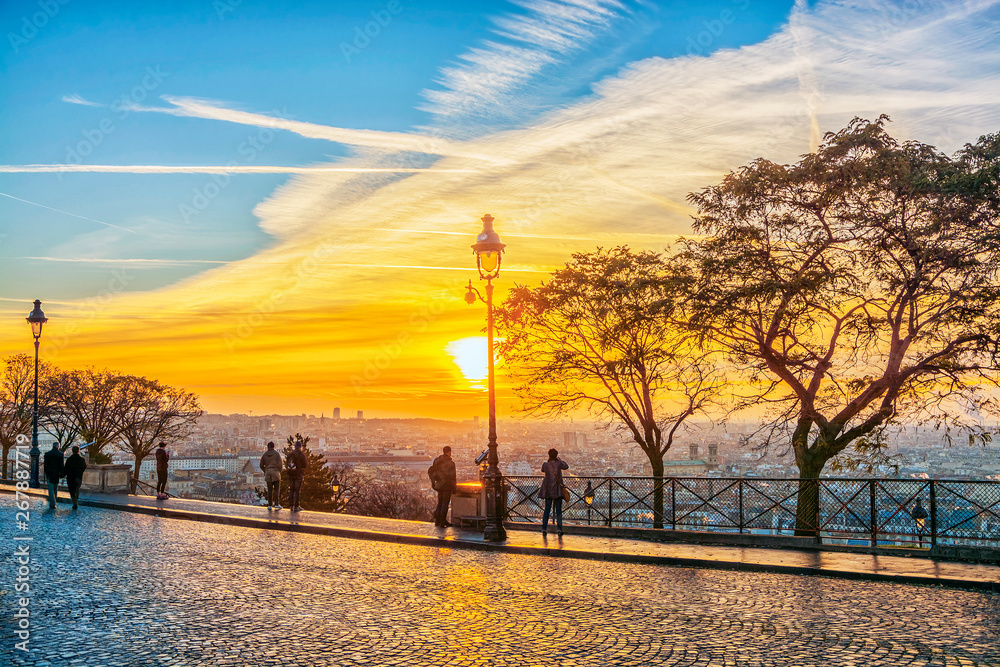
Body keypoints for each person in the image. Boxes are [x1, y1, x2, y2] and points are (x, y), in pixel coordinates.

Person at [539, 448, 569, 537]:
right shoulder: (559, 463)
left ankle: (544, 528)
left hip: (548, 491)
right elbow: (566, 466)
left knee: (547, 510)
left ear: (549, 455)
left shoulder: (545, 465)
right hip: (558, 490)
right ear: (556, 455)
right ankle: (559, 529)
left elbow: (542, 470)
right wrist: (560, 460)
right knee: (559, 511)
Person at [429, 446, 457, 527]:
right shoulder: (451, 463)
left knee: (440, 502)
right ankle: (442, 522)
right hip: (447, 485)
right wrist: (454, 488)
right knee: (445, 503)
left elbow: (433, 472)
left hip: (439, 485)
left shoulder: (436, 461)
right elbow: (453, 477)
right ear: (449, 452)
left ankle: (437, 521)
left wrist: (434, 483)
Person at [63, 445, 87, 510]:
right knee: (77, 489)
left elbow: (66, 469)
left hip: (70, 477)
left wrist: (63, 474)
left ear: (72, 451)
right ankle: (76, 501)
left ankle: (74, 503)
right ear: (78, 451)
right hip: (78, 476)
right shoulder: (81, 459)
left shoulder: (69, 459)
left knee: (71, 490)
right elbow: (84, 467)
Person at [260, 441, 283, 510]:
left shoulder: (264, 455)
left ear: (268, 447)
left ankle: (269, 505)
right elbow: (280, 464)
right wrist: (279, 471)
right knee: (276, 489)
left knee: (269, 490)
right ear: (273, 447)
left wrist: (265, 470)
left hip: (268, 472)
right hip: (275, 472)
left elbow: (261, 465)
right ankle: (276, 504)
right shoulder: (276, 454)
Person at [286, 439, 308, 512]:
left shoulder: (290, 454)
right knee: (297, 490)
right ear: (300, 447)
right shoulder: (301, 455)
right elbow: (305, 465)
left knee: (291, 490)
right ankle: (296, 506)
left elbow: (287, 463)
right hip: (298, 474)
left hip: (291, 474)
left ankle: (291, 505)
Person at [43, 443, 64, 509]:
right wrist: (61, 474)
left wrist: (46, 473)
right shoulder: (61, 454)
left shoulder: (47, 454)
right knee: (55, 488)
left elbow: (45, 465)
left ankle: (52, 503)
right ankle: (54, 502)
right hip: (57, 474)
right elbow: (61, 466)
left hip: (49, 474)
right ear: (58, 447)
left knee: (50, 489)